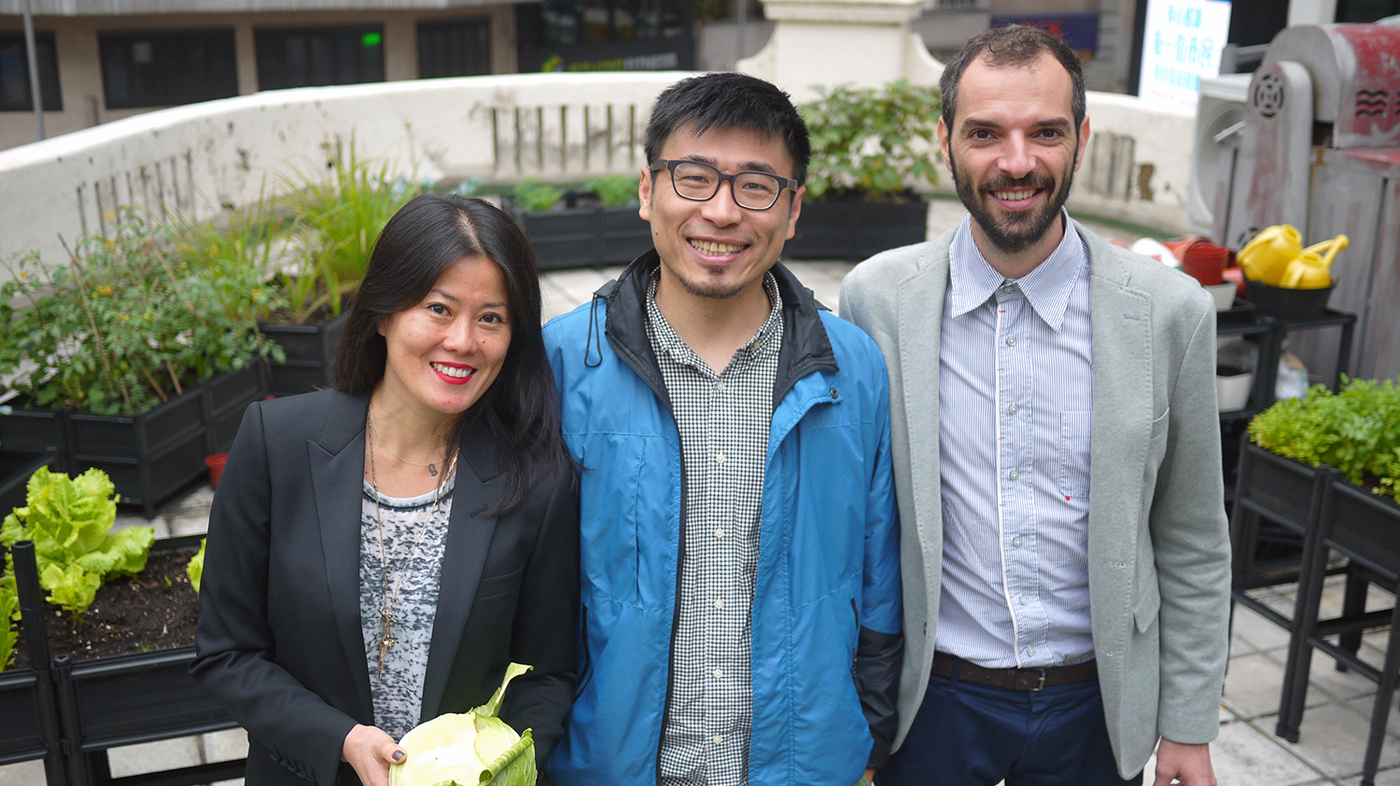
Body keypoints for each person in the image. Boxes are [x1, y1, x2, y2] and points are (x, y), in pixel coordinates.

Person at [840, 25, 1230, 786]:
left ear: (1081, 139)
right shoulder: (876, 299)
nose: (1016, 163)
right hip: (932, 702)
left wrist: (1188, 726)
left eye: (1045, 132)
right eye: (984, 133)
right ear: (944, 141)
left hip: (1100, 707)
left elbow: (1190, 537)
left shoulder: (1170, 312)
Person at [543, 72, 902, 786]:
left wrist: (867, 738)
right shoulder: (560, 361)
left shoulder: (850, 366)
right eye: (694, 177)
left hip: (803, 764)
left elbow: (879, 574)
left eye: (756, 186)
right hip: (611, 766)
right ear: (648, 191)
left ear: (793, 209)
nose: (722, 211)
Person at [191, 194, 579, 786]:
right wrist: (340, 740)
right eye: (438, 309)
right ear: (382, 312)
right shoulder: (277, 443)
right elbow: (228, 653)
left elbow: (546, 674)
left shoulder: (537, 480)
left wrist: (493, 772)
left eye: (491, 318)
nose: (462, 341)